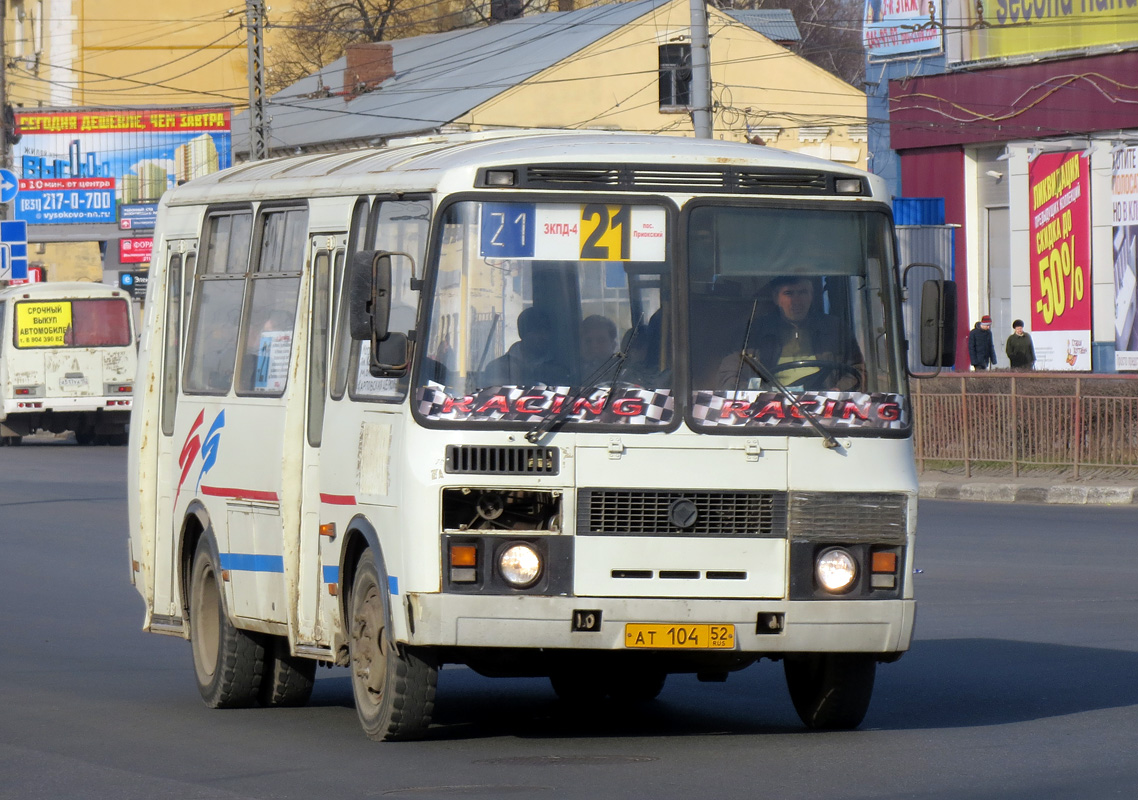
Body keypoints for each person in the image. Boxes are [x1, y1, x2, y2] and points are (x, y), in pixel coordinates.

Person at [715, 275, 863, 391]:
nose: (796, 301)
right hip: (770, 409)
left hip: (822, 408)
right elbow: (730, 374)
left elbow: (857, 370)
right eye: (789, 293)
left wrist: (839, 390)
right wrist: (755, 396)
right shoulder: (754, 332)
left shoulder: (834, 328)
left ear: (811, 296)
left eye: (802, 292)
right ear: (776, 298)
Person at [481, 306, 571, 387]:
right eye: (537, 331)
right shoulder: (498, 368)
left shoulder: (558, 371)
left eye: (546, 331)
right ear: (523, 334)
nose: (544, 336)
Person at [578, 314, 619, 379]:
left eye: (601, 340)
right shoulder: (572, 373)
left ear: (613, 345)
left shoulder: (622, 372)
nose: (594, 346)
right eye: (588, 341)